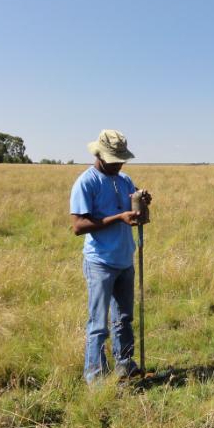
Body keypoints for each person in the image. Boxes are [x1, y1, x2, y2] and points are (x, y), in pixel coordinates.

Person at [70, 129, 152, 384]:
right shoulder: (86, 182)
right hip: (100, 263)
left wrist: (143, 202)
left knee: (124, 319)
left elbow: (138, 215)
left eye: (121, 160)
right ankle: (95, 377)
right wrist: (118, 217)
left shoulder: (125, 180)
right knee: (98, 325)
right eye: (114, 160)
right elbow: (78, 226)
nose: (119, 165)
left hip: (126, 259)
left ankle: (125, 366)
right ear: (100, 156)